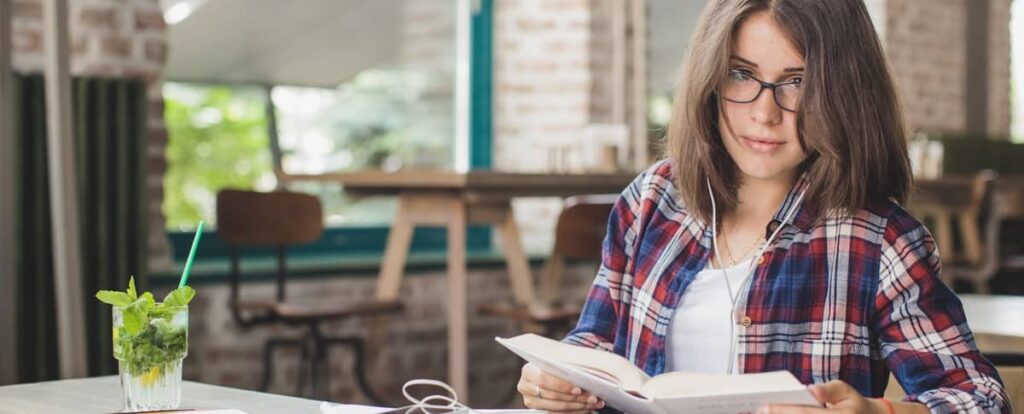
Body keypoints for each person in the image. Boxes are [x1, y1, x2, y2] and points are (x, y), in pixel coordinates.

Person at [515, 0, 1011, 413]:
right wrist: (557, 379)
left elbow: (981, 399)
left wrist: (879, 412)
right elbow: (594, 345)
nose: (764, 112)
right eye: (741, 74)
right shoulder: (652, 199)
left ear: (843, 93)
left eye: (797, 82)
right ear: (710, 81)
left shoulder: (882, 242)